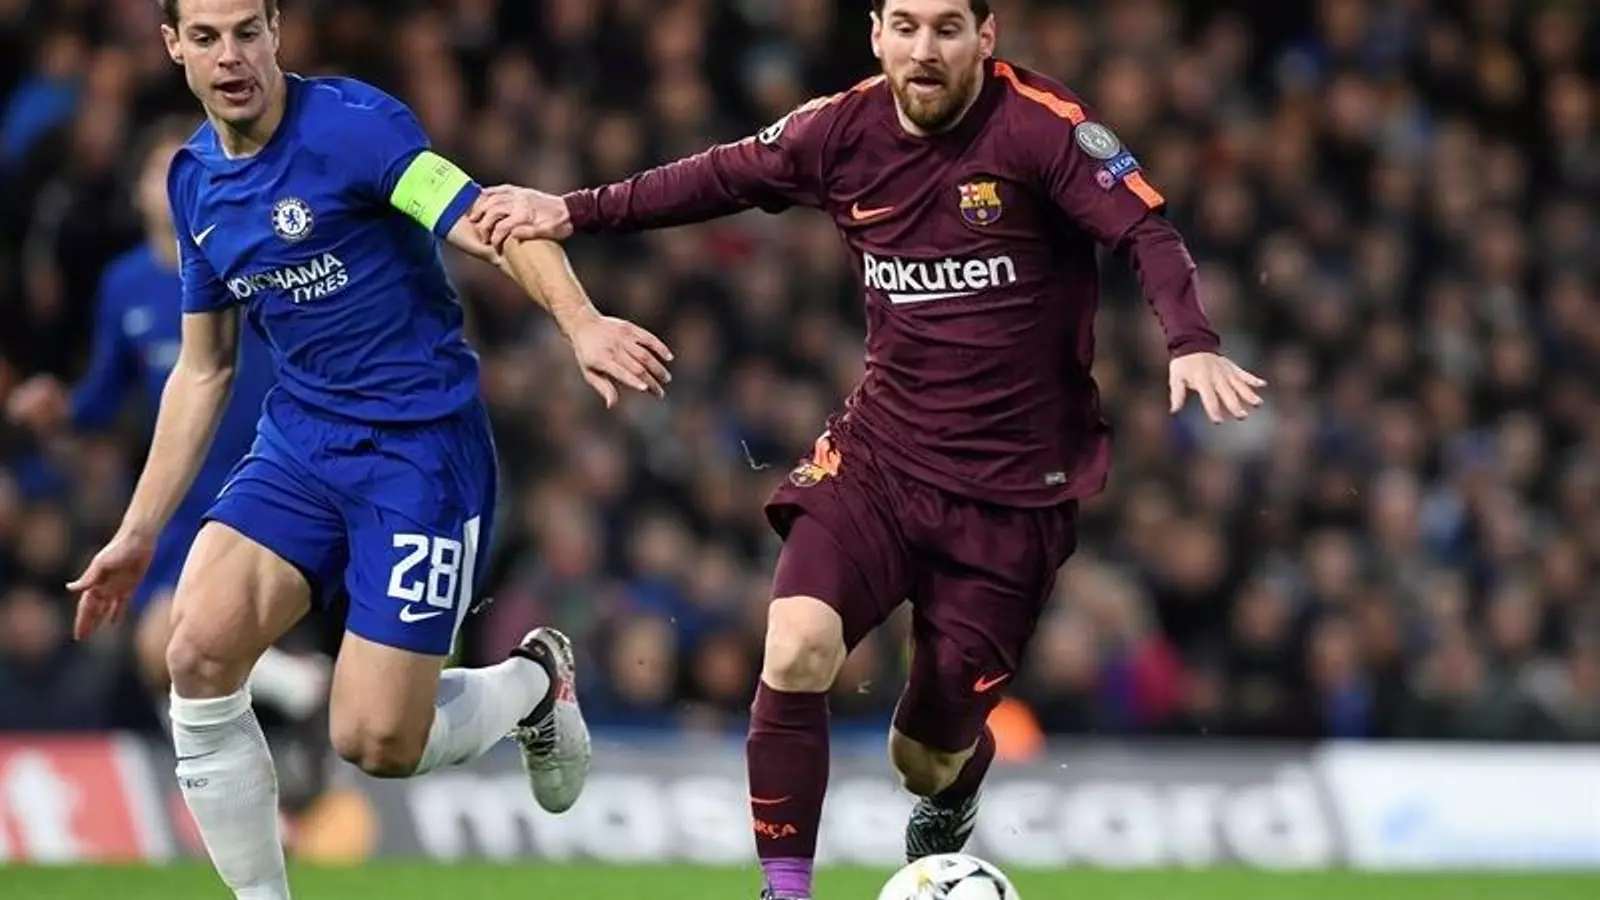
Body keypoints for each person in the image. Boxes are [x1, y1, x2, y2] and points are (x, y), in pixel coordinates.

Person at [470, 1, 1265, 897]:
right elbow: (719, 175)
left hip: (1012, 497)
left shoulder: (1043, 128)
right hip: (878, 460)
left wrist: (1192, 340)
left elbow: (1146, 232)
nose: (925, 50)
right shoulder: (840, 129)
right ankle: (785, 889)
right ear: (877, 33)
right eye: (907, 27)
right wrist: (571, 211)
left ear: (986, 36)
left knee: (924, 757)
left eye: (948, 28)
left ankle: (953, 788)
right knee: (795, 646)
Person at [66, 1, 673, 897]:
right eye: (206, 37)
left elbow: (484, 220)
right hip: (302, 443)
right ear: (172, 47)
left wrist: (579, 322)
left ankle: (534, 684)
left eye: (246, 31)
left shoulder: (354, 129)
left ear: (276, 30)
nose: (230, 56)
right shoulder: (193, 182)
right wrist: (137, 532)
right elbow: (204, 369)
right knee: (194, 652)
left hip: (419, 453)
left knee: (378, 741)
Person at [7, 116, 331, 726]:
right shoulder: (124, 284)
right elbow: (107, 390)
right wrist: (64, 407)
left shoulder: (251, 254)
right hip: (180, 493)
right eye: (160, 166)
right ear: (137, 190)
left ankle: (297, 704)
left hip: (269, 472)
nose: (174, 177)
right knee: (169, 653)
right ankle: (297, 698)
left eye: (188, 162)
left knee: (179, 643)